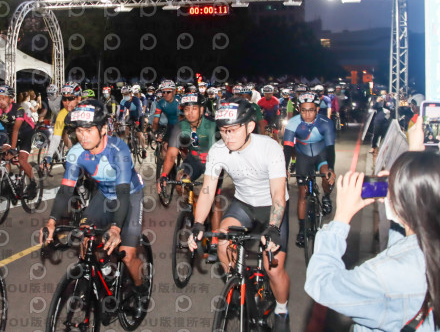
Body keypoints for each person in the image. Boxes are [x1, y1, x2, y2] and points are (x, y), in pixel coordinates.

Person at [305, 122, 439, 330]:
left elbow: (321, 283)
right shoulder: (426, 249)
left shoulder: (386, 273)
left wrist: (341, 216)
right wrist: (409, 168)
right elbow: (402, 241)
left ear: (403, 203)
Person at [188, 99, 291, 332]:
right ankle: (236, 285)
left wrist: (274, 227)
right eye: (224, 130)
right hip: (244, 204)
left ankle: (282, 310)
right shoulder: (218, 151)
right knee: (222, 243)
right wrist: (198, 224)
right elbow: (207, 190)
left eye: (233, 130)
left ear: (250, 127)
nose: (228, 136)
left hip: (272, 207)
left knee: (273, 269)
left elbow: (278, 193)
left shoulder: (269, 148)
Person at [42, 100, 149, 309]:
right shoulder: (76, 153)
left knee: (127, 255)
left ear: (103, 129)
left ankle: (140, 289)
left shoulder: (118, 149)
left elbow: (122, 192)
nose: (83, 136)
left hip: (129, 195)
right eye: (79, 131)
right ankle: (103, 270)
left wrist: (116, 228)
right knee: (86, 236)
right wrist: (52, 222)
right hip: (104, 194)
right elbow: (65, 191)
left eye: (89, 130)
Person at [157, 93, 222, 229]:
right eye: (187, 109)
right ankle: (196, 203)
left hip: (214, 162)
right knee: (180, 182)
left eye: (194, 108)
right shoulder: (180, 126)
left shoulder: (212, 124)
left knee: (215, 200)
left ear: (202, 110)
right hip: (194, 160)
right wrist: (163, 175)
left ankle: (216, 236)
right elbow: (171, 154)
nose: (190, 113)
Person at [283, 92, 336, 247]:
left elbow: (330, 148)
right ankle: (301, 230)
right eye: (304, 110)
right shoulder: (293, 123)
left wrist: (331, 169)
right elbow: (287, 149)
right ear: (299, 109)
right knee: (302, 194)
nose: (307, 114)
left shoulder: (326, 123)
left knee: (326, 174)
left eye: (311, 110)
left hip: (321, 155)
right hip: (303, 157)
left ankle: (326, 196)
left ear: (317, 109)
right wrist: (284, 168)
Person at [0, 85, 37, 196]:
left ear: (11, 99)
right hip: (11, 132)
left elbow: (16, 130)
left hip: (27, 132)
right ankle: (10, 179)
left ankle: (33, 183)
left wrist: (13, 148)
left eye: (3, 98)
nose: (0, 101)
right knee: (3, 154)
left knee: (22, 160)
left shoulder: (18, 110)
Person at [43, 82, 81, 167]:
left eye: (71, 98)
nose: (67, 102)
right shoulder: (62, 114)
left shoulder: (86, 110)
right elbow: (56, 137)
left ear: (79, 98)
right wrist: (49, 155)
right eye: (64, 99)